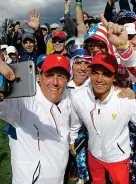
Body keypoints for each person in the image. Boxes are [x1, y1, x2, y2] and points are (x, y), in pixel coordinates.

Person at [0, 54, 71, 184]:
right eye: (49, 74)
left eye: (61, 76)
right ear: (41, 74)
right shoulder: (25, 102)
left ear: (67, 80)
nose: (55, 82)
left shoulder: (68, 97)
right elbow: (4, 105)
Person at [69, 53, 136, 184]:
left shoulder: (125, 100)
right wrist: (72, 139)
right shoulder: (78, 97)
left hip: (118, 158)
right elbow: (75, 122)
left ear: (114, 77)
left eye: (106, 74)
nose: (99, 79)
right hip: (93, 154)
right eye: (95, 73)